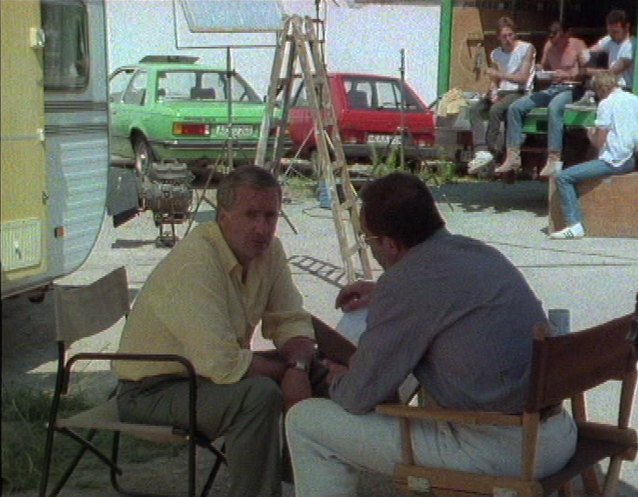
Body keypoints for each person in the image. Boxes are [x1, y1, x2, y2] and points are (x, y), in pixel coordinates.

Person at [285, 173, 577, 497]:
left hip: (502, 451)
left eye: (369, 240)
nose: (372, 249)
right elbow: (442, 295)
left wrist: (338, 378)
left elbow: (356, 398)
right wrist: (384, 293)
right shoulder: (478, 252)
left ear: (390, 244)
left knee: (305, 422)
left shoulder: (406, 284)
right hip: (556, 434)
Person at [114, 165, 318, 497]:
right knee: (259, 396)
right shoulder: (196, 261)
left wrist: (300, 367)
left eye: (270, 216)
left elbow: (290, 319)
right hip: (152, 391)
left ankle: (310, 485)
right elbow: (222, 363)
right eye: (251, 215)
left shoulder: (270, 252)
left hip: (201, 377)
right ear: (223, 216)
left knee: (316, 370)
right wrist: (290, 373)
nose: (262, 228)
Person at [551, 71, 638, 240]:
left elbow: (598, 143)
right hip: (631, 159)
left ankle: (574, 225)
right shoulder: (633, 99)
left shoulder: (606, 104)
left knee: (564, 177)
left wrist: (589, 132)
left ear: (600, 89)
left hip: (614, 161)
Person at [495, 22, 587, 176]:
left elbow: (586, 71)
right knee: (516, 107)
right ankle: (513, 156)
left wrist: (568, 74)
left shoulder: (578, 45)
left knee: (555, 107)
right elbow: (543, 66)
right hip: (554, 87)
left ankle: (554, 157)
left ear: (566, 35)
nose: (555, 44)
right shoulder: (549, 46)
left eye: (558, 40)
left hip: (573, 88)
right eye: (552, 40)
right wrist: (539, 69)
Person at [467, 16, 535, 174]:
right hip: (502, 90)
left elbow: (523, 78)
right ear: (498, 37)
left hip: (519, 90)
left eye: (511, 35)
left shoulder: (526, 48)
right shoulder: (496, 54)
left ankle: (493, 150)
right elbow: (495, 80)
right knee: (475, 109)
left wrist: (499, 74)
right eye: (504, 36)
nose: (508, 39)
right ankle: (481, 150)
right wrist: (493, 91)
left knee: (496, 110)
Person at [581, 9, 635, 93]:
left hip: (625, 89)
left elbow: (611, 73)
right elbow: (591, 50)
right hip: (610, 88)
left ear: (627, 27)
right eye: (610, 32)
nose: (612, 35)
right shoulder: (610, 39)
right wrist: (584, 55)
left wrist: (586, 71)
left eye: (616, 32)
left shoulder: (631, 45)